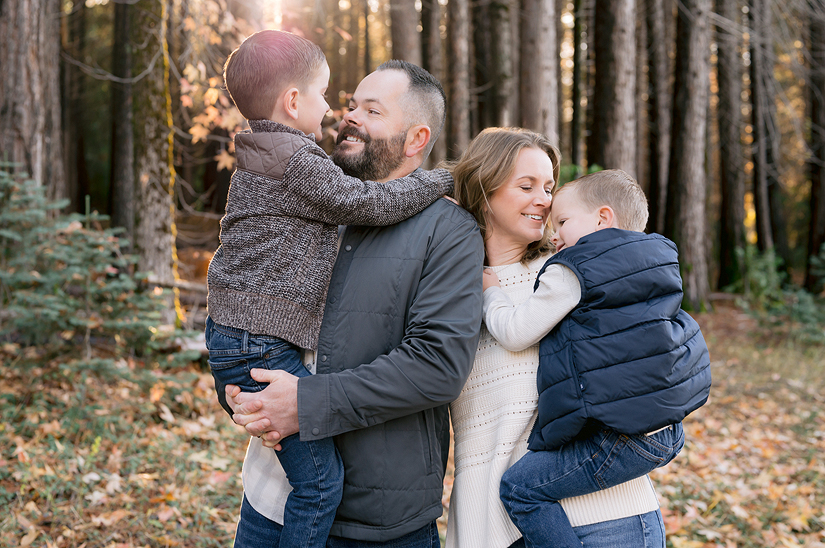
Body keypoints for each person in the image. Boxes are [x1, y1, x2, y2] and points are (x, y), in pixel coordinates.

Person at [205, 32, 454, 548]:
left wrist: (307, 403)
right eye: (344, 103)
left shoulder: (444, 233)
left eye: (372, 110)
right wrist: (242, 400)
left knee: (319, 484)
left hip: (378, 522)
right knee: (316, 483)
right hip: (269, 506)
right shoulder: (317, 189)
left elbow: (436, 367)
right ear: (292, 101)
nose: (346, 115)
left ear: (416, 139)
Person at [447, 128, 691, 548]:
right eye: (526, 186)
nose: (544, 199)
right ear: (483, 188)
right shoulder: (447, 285)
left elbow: (655, 346)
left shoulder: (575, 271)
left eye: (549, 187)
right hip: (491, 525)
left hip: (607, 521)